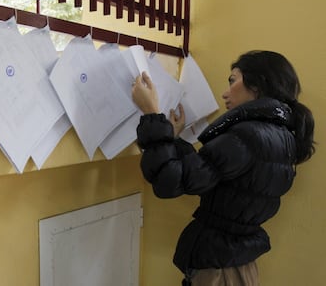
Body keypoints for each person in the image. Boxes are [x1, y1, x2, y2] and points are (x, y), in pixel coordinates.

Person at [132, 50, 315, 286]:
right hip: (237, 263)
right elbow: (209, 174)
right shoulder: (278, 135)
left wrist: (151, 114)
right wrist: (173, 140)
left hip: (221, 270)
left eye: (233, 81)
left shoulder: (247, 135)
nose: (225, 93)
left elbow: (170, 181)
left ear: (257, 85)